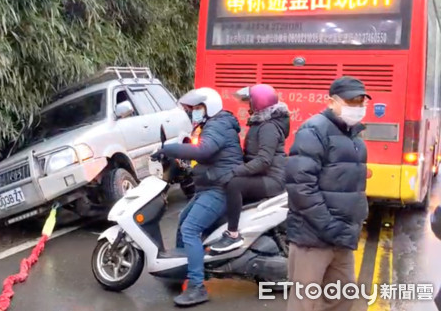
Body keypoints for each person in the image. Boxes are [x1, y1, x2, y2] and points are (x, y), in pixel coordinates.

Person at [151, 87, 243, 307]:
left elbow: (203, 151)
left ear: (208, 107)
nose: (193, 112)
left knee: (191, 228)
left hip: (220, 188)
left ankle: (197, 286)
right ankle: (182, 271)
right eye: (191, 109)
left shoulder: (218, 125)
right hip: (210, 186)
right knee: (183, 220)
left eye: (196, 108)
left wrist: (170, 149)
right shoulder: (212, 124)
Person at [285, 76, 370, 311]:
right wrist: (329, 226)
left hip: (343, 236)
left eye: (361, 102)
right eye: (351, 101)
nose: (358, 107)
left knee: (343, 295)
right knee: (305, 302)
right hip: (313, 237)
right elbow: (301, 186)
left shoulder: (354, 136)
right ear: (332, 102)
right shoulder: (314, 130)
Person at [210, 84, 290, 252]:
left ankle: (233, 235)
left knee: (234, 184)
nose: (248, 106)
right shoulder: (261, 123)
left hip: (272, 179)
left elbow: (263, 161)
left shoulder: (268, 127)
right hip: (264, 175)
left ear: (258, 104)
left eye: (250, 103)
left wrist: (234, 172)